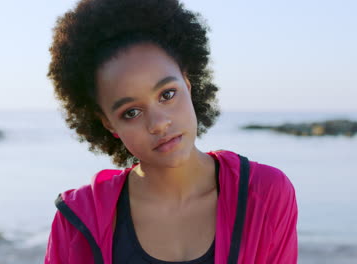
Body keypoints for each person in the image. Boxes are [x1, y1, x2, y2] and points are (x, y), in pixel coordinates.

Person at [44, 0, 298, 263]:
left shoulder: (265, 193)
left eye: (167, 94)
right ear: (108, 123)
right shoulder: (76, 220)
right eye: (131, 112)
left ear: (188, 83)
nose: (158, 123)